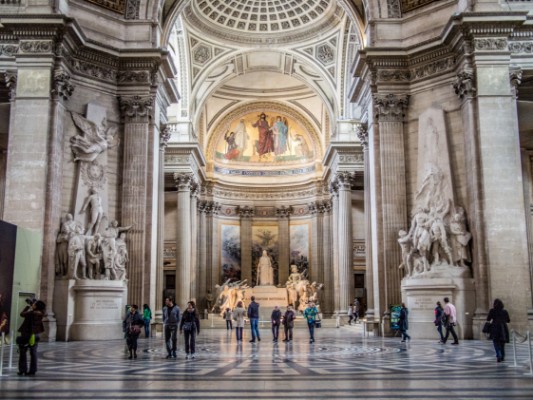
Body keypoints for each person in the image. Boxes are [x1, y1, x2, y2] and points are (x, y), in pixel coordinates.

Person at [17, 299, 45, 376]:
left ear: (36, 306)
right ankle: (33, 370)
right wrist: (33, 305)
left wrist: (27, 307)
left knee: (23, 352)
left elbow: (22, 314)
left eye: (34, 304)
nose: (33, 305)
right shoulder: (41, 313)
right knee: (33, 353)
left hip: (27, 334)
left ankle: (22, 370)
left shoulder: (32, 313)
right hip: (36, 334)